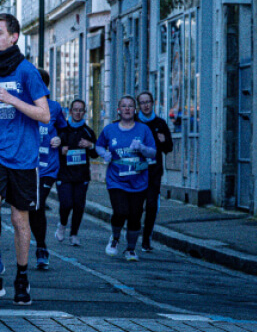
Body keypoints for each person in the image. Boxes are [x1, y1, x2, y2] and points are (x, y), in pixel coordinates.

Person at [0, 13, 50, 305]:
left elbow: (44, 114)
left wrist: (14, 99)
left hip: (23, 155)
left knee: (19, 219)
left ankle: (22, 278)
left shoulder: (27, 72)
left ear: (14, 37)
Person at [95, 96, 157, 261]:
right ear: (119, 110)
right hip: (116, 180)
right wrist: (104, 154)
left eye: (130, 106)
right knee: (121, 211)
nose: (127, 109)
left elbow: (153, 152)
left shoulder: (143, 130)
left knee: (135, 216)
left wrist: (142, 148)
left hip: (139, 181)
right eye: (124, 106)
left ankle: (130, 249)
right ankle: (115, 238)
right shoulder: (110, 129)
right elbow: (99, 145)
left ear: (135, 110)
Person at [29, 69, 67, 270]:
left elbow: (64, 129)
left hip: (47, 166)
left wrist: (60, 138)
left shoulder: (54, 107)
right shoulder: (22, 105)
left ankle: (41, 248)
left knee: (38, 204)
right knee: (30, 207)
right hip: (26, 165)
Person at [55, 99, 98, 247]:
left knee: (79, 205)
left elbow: (95, 154)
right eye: (75, 110)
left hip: (81, 175)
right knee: (66, 203)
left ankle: (74, 234)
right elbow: (52, 148)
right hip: (64, 174)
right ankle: (62, 225)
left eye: (81, 110)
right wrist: (60, 150)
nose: (78, 113)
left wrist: (90, 145)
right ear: (70, 111)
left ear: (84, 112)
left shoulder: (88, 132)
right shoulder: (62, 130)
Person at [136, 91, 173, 252]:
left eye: (148, 102)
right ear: (139, 105)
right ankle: (133, 234)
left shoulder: (160, 123)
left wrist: (164, 141)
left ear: (153, 103)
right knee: (136, 208)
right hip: (136, 172)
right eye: (142, 102)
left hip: (154, 172)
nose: (146, 105)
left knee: (151, 206)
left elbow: (169, 148)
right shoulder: (134, 122)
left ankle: (146, 239)